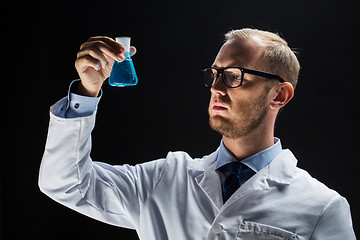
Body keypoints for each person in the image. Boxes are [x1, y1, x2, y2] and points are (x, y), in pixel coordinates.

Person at [38, 28, 356, 239]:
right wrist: (87, 91)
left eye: (234, 76)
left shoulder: (322, 207)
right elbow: (65, 182)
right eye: (214, 74)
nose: (216, 88)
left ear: (279, 95)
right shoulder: (162, 181)